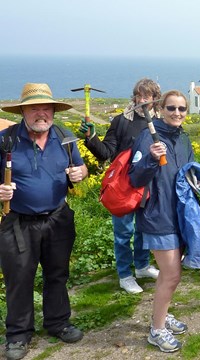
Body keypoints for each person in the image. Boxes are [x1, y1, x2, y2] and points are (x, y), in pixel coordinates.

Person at [0, 83, 88, 360]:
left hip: (58, 218)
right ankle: (18, 335)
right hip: (17, 221)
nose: (41, 114)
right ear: (23, 111)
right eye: (34, 108)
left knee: (57, 274)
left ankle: (58, 322)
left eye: (46, 108)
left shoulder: (65, 136)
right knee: (19, 278)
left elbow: (81, 167)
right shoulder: (6, 140)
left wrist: (81, 173)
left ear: (53, 111)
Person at [79, 78, 161, 294]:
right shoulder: (121, 121)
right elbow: (106, 152)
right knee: (123, 233)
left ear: (154, 99)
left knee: (144, 230)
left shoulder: (161, 122)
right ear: (134, 96)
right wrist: (91, 137)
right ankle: (125, 275)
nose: (142, 99)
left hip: (150, 184)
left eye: (147, 96)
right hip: (124, 186)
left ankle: (142, 266)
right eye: (139, 95)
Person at [129, 90, 194, 352]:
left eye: (181, 109)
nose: (177, 113)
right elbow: (135, 178)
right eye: (171, 108)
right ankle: (156, 330)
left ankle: (162, 313)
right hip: (157, 215)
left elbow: (189, 171)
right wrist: (151, 159)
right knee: (172, 275)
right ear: (161, 110)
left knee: (169, 274)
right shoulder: (148, 136)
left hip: (179, 214)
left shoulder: (184, 138)